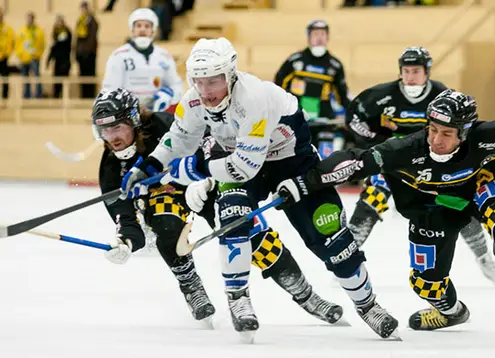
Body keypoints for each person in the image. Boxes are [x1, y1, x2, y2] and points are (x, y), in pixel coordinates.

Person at [274, 89, 495, 342]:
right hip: (434, 211)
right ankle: (451, 311)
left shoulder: (492, 137)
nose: (436, 140)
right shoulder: (406, 149)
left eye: (446, 134)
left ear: (465, 132)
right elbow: (355, 159)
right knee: (425, 284)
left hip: (479, 190)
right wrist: (304, 183)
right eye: (432, 130)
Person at [121, 38, 399, 340]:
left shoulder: (252, 97)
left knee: (331, 236)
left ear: (230, 75)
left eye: (213, 81)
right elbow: (179, 139)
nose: (205, 91)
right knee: (233, 219)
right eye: (198, 81)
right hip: (240, 160)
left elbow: (244, 167)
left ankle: (369, 306)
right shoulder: (193, 100)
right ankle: (239, 300)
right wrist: (148, 166)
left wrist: (197, 170)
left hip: (291, 162)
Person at [96, 88, 344, 326]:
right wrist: (125, 242)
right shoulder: (109, 169)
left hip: (205, 183)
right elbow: (126, 220)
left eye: (117, 127)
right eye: (104, 131)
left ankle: (305, 294)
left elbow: (215, 144)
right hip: (166, 196)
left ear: (134, 120)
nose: (113, 138)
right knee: (165, 224)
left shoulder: (167, 125)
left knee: (253, 234)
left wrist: (207, 179)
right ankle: (191, 286)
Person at [346, 47, 495, 287]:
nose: (410, 76)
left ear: (427, 72)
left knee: (457, 207)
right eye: (406, 71)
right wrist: (375, 140)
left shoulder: (442, 94)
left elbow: (466, 127)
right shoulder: (382, 95)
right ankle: (347, 258)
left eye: (416, 71)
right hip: (395, 163)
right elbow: (354, 116)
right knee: (371, 199)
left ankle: (484, 259)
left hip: (434, 165)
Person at [274, 20, 350, 159]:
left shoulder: (335, 65)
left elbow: (343, 95)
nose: (319, 38)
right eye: (315, 34)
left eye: (323, 34)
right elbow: (279, 87)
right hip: (298, 120)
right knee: (297, 159)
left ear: (328, 37)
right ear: (308, 36)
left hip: (324, 121)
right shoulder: (294, 60)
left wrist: (352, 113)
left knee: (324, 160)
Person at [102, 8, 183, 113]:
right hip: (128, 112)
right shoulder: (119, 56)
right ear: (132, 29)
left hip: (158, 112)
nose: (142, 30)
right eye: (138, 26)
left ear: (153, 30)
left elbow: (176, 84)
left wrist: (168, 95)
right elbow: (110, 89)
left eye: (147, 26)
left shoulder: (164, 56)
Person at [47, 15, 72, 99]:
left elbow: (65, 45)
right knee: (56, 80)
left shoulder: (67, 32)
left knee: (64, 79)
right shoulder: (55, 33)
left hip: (65, 60)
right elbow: (53, 48)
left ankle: (64, 97)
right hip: (57, 60)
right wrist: (49, 59)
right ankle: (56, 97)